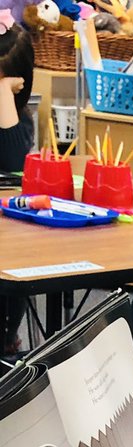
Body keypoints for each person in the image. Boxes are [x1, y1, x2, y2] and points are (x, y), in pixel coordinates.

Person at [0, 13, 34, 359]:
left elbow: (13, 171)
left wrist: (4, 100)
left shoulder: (18, 124)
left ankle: (7, 345)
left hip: (11, 247)